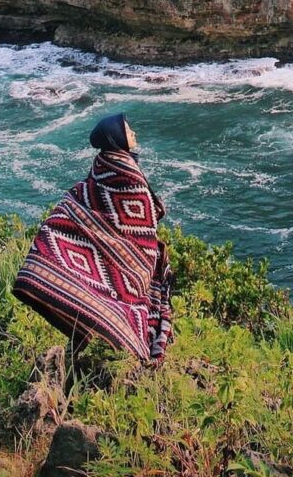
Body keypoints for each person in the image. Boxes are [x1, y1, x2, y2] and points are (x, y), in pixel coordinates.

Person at [13, 112, 174, 364]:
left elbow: (94, 201)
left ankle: (91, 327)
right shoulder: (126, 170)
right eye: (129, 131)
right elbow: (141, 218)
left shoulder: (103, 163)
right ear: (117, 137)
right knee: (125, 291)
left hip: (118, 249)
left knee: (107, 284)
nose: (134, 135)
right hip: (129, 256)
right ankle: (114, 330)